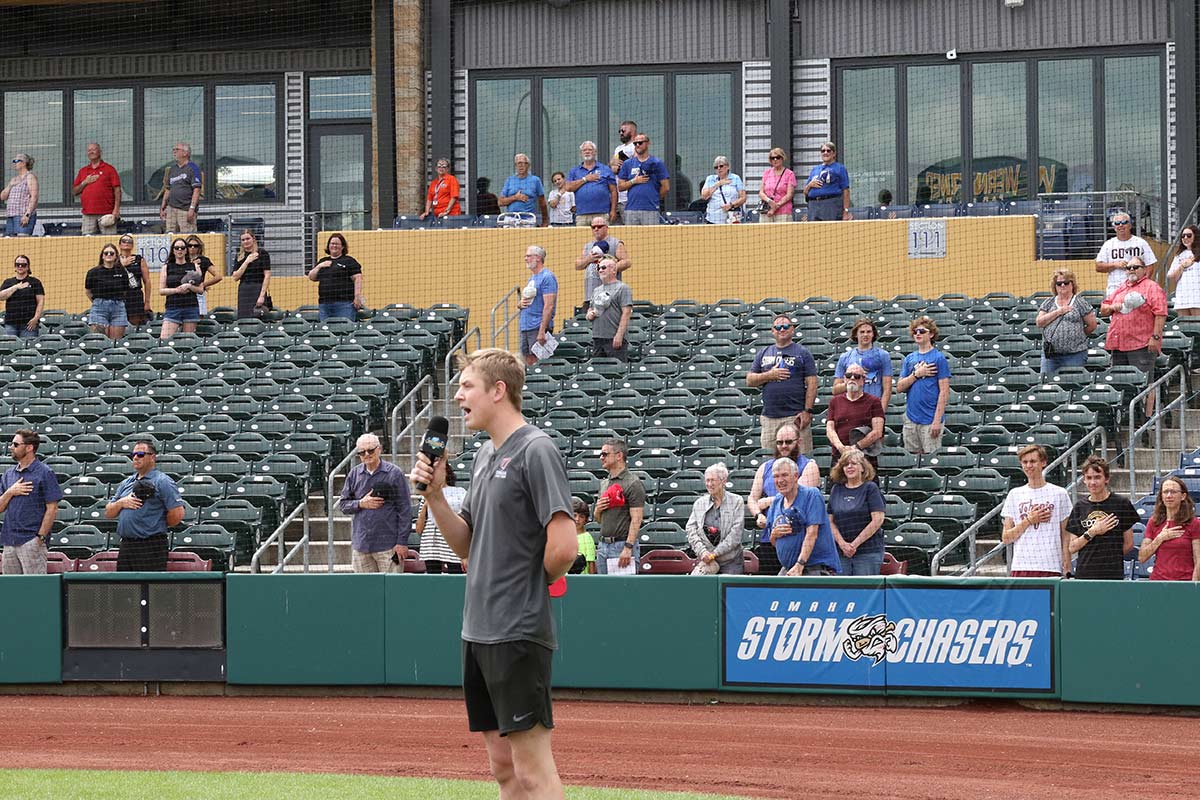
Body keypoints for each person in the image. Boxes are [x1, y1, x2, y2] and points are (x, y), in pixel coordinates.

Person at [409, 348, 576, 799]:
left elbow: (563, 546)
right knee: (504, 769)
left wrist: (523, 584)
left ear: (498, 391)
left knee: (533, 770)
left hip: (516, 630)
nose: (458, 395)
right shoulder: (484, 456)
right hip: (478, 629)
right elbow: (467, 545)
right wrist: (436, 497)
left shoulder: (536, 450)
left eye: (466, 386)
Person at [747, 424, 820, 576]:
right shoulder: (765, 467)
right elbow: (752, 498)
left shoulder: (809, 466)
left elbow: (798, 496)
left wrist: (767, 501)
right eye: (780, 442)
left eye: (788, 442)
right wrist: (758, 515)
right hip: (770, 539)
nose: (784, 446)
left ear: (799, 442)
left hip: (797, 540)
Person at [1099, 256, 1168, 416]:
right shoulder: (1122, 288)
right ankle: (1128, 418)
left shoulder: (1152, 287)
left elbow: (1160, 314)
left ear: (1144, 269)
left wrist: (1155, 338)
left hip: (1141, 344)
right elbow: (1103, 308)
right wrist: (1113, 307)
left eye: (1135, 267)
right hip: (1118, 344)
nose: (1131, 270)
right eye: (1128, 267)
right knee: (1121, 383)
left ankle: (1147, 419)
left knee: (1145, 383)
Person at [104, 439, 185, 572]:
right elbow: (108, 512)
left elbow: (177, 513)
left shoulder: (163, 481)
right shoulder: (126, 483)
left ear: (152, 457)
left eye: (140, 454)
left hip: (151, 545)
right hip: (127, 545)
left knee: (148, 589)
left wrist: (154, 524)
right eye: (133, 455)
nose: (135, 457)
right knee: (126, 588)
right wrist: (121, 503)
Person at [338, 433, 413, 574]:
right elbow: (343, 505)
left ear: (379, 449)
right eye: (362, 452)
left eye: (370, 450)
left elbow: (405, 509)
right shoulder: (354, 474)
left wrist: (402, 542)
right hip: (361, 546)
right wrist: (360, 503)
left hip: (388, 546)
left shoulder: (394, 473)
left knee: (392, 592)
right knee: (364, 593)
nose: (367, 454)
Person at [757, 458, 842, 576]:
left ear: (796, 476)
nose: (780, 480)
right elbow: (775, 542)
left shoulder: (811, 495)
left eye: (784, 475)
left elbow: (812, 533)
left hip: (813, 569)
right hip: (788, 569)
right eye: (776, 476)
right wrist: (773, 535)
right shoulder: (776, 502)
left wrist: (800, 564)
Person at [747, 314, 818, 453]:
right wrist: (769, 375)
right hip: (769, 418)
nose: (782, 329)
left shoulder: (802, 353)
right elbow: (750, 380)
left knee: (800, 460)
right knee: (769, 462)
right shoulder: (764, 352)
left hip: (795, 417)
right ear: (773, 331)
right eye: (778, 327)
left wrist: (807, 411)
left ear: (792, 329)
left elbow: (812, 383)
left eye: (786, 326)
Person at [1000, 445, 1072, 577]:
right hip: (1021, 564)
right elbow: (1006, 538)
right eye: (1025, 462)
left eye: (1033, 461)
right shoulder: (1014, 494)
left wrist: (1067, 562)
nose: (1028, 466)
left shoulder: (1059, 493)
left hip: (1050, 565)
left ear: (1043, 462)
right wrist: (1028, 520)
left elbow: (1065, 533)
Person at [1066, 455, 1138, 581]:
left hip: (1113, 575)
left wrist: (1109, 560)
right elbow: (1072, 547)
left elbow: (1129, 544)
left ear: (1107, 479)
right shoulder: (1079, 507)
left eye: (1097, 477)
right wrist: (1092, 532)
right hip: (1085, 574)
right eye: (1089, 478)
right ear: (1084, 480)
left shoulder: (1122, 504)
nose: (1093, 482)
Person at [0, 429, 62, 575]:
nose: (11, 447)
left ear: (29, 448)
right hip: (9, 542)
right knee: (12, 590)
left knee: (34, 590)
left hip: (31, 541)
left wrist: (40, 538)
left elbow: (52, 508)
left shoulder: (45, 472)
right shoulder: (9, 474)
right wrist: (10, 492)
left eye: (15, 444)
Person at [897, 316, 951, 455]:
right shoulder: (909, 358)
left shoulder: (939, 358)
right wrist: (916, 374)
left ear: (931, 334)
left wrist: (937, 420)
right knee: (911, 459)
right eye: (915, 331)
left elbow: (944, 392)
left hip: (930, 419)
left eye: (922, 331)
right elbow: (900, 387)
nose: (918, 334)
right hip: (911, 418)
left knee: (930, 459)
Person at [828, 450, 886, 575]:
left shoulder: (870, 488)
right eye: (845, 464)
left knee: (864, 591)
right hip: (841, 553)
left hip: (867, 553)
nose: (849, 467)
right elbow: (830, 521)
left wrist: (854, 545)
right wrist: (843, 544)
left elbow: (878, 520)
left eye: (853, 463)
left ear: (862, 467)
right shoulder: (836, 489)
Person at [592, 437, 645, 575]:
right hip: (603, 545)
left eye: (605, 454)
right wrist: (598, 509)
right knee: (605, 594)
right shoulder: (604, 484)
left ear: (619, 456)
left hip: (622, 545)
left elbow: (637, 519)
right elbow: (598, 519)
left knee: (624, 593)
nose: (601, 457)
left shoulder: (633, 483)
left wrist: (628, 547)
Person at [684, 462, 745, 575]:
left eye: (713, 480)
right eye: (707, 480)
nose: (709, 484)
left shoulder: (737, 501)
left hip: (731, 562)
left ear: (724, 482)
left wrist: (714, 554)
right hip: (706, 560)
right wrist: (702, 552)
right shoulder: (699, 503)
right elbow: (690, 529)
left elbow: (735, 535)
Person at [1036, 268, 1098, 376]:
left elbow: (1092, 325)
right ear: (1054, 286)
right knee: (1046, 384)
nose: (1063, 286)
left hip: (1074, 355)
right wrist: (1058, 312)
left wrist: (1078, 336)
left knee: (1071, 385)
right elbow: (1039, 322)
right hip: (1051, 356)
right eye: (1059, 283)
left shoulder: (1080, 302)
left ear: (1072, 284)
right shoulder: (1048, 303)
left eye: (1066, 283)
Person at [1137, 476, 1200, 581]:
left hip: (1184, 582)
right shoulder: (1154, 522)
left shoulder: (1193, 523)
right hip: (1158, 582)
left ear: (1183, 496)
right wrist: (1160, 538)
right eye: (1165, 492)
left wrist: (1193, 586)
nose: (1169, 495)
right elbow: (1142, 557)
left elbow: (1198, 559)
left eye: (1173, 492)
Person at [825, 364, 884, 470]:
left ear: (863, 380)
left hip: (864, 457)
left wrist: (856, 447)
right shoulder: (835, 401)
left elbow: (878, 432)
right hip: (839, 456)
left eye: (857, 376)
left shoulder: (874, 402)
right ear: (844, 379)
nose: (852, 378)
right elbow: (830, 429)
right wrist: (841, 448)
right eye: (848, 375)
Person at [833, 318, 893, 409]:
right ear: (856, 334)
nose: (865, 334)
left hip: (873, 408)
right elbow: (835, 390)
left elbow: (887, 389)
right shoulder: (845, 357)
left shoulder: (883, 355)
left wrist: (880, 413)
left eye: (868, 331)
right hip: (851, 409)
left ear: (873, 334)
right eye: (862, 332)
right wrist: (850, 382)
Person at [415, 468, 466, 574]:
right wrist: (425, 505)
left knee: (455, 579)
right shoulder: (426, 495)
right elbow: (419, 529)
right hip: (430, 547)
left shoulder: (460, 492)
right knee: (433, 582)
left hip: (453, 546)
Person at [574, 218, 631, 308]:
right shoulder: (588, 246)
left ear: (606, 228)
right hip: (590, 295)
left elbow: (627, 262)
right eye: (593, 227)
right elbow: (577, 265)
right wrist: (588, 259)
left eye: (599, 226)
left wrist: (611, 267)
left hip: (610, 294)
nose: (596, 229)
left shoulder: (615, 243)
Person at [1095, 211, 1156, 295]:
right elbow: (1098, 267)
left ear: (1130, 225)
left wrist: (1144, 284)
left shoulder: (1141, 243)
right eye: (1117, 223)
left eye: (1124, 222)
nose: (1121, 225)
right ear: (1114, 227)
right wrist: (1115, 265)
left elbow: (1150, 266)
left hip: (1136, 288)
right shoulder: (1108, 244)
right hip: (1115, 289)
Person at [308, 233, 365, 322]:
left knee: (344, 330)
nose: (334, 246)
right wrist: (319, 266)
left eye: (337, 244)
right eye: (332, 243)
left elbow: (358, 278)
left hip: (344, 304)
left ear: (342, 247)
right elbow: (311, 277)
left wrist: (357, 296)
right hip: (324, 304)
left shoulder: (349, 261)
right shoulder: (323, 261)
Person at [585, 257, 632, 362]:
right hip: (598, 338)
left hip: (614, 338)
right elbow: (590, 309)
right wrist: (589, 315)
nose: (600, 270)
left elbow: (626, 313)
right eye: (599, 268)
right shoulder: (596, 290)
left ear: (614, 270)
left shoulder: (623, 288)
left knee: (616, 371)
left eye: (604, 267)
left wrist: (619, 335)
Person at [517, 245, 557, 366]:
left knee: (539, 363)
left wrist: (542, 331)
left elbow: (549, 306)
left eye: (528, 256)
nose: (526, 259)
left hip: (537, 326)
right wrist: (520, 304)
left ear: (538, 258)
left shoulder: (547, 277)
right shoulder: (532, 278)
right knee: (527, 360)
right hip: (526, 326)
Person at [617, 134, 670, 225]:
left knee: (651, 238)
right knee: (631, 238)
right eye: (635, 143)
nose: (637, 145)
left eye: (640, 143)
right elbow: (620, 187)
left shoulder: (656, 163)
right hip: (631, 209)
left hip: (651, 209)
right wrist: (634, 181)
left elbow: (666, 187)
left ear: (648, 143)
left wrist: (654, 199)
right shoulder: (628, 164)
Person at [159, 237, 204, 339]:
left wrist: (189, 286)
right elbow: (161, 291)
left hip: (190, 307)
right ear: (173, 250)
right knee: (164, 339)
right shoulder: (167, 267)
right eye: (177, 248)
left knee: (187, 341)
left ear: (186, 250)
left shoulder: (194, 267)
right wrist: (177, 290)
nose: (180, 250)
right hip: (173, 307)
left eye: (182, 248)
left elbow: (200, 289)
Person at [73, 142, 122, 235]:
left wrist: (116, 210)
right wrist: (85, 182)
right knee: (87, 243)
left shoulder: (109, 169)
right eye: (89, 150)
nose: (91, 152)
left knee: (109, 241)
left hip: (107, 213)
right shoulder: (83, 171)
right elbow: (75, 191)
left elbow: (117, 190)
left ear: (100, 152)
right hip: (88, 214)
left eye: (94, 149)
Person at [85, 243, 131, 340]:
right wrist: (98, 302)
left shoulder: (122, 272)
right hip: (99, 309)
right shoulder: (93, 272)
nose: (109, 255)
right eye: (106, 253)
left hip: (118, 308)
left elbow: (125, 290)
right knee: (99, 341)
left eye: (112, 253)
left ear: (116, 256)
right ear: (102, 256)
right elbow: (88, 291)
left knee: (116, 342)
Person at [563, 141, 616, 225]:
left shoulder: (605, 169)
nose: (587, 152)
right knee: (582, 238)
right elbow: (568, 187)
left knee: (602, 238)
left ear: (595, 152)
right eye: (584, 150)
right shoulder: (575, 171)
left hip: (602, 214)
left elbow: (613, 191)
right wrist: (585, 179)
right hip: (581, 215)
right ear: (581, 153)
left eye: (590, 150)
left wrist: (613, 210)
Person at [802, 141, 850, 222]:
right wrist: (810, 185)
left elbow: (846, 190)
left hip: (830, 205)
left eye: (828, 150)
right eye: (823, 151)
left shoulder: (840, 168)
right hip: (813, 205)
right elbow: (805, 192)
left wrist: (845, 211)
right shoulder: (815, 169)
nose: (825, 153)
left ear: (834, 154)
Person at [159, 142, 202, 234]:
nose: (174, 152)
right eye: (173, 150)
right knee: (170, 236)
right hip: (171, 209)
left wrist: (192, 209)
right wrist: (163, 206)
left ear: (185, 153)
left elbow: (197, 190)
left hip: (185, 209)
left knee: (187, 237)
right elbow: (168, 189)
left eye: (177, 149)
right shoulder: (172, 170)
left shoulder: (193, 168)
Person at [498, 153, 548, 227]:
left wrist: (545, 221)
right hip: (510, 220)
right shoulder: (509, 180)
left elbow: (542, 202)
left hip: (528, 220)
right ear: (516, 166)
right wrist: (515, 197)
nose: (521, 166)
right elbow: (500, 202)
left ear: (528, 165)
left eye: (524, 163)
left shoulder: (535, 180)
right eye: (519, 163)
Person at [231, 229, 272, 320]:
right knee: (244, 318)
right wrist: (247, 261)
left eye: (248, 239)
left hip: (258, 288)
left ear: (253, 239)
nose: (246, 241)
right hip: (244, 290)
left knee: (258, 316)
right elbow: (235, 277)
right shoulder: (239, 256)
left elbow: (267, 276)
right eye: (243, 240)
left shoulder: (263, 254)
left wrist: (261, 296)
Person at [1, 255, 44, 338]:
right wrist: (16, 287)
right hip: (11, 323)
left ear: (28, 267)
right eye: (18, 264)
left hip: (29, 324)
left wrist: (36, 318)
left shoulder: (35, 282)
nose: (20, 266)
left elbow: (40, 301)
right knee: (11, 348)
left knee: (27, 349)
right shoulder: (8, 282)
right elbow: (1, 297)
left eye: (23, 265)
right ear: (15, 267)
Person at [117, 234, 153, 328]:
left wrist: (147, 302)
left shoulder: (139, 259)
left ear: (132, 245)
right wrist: (122, 265)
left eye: (129, 242)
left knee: (135, 324)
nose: (126, 243)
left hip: (135, 296)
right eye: (124, 241)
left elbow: (147, 281)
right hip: (119, 296)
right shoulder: (114, 260)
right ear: (119, 245)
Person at [700, 156, 747, 224]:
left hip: (732, 218)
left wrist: (731, 205)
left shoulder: (735, 178)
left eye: (721, 166)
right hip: (713, 219)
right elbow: (704, 196)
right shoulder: (710, 179)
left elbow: (743, 197)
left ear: (727, 167)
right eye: (716, 167)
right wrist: (718, 184)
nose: (719, 169)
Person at [1167, 224, 1200, 318]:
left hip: (1197, 296)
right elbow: (1171, 276)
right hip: (1182, 296)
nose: (1185, 238)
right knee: (1184, 325)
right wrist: (1182, 266)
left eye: (1189, 235)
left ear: (1196, 236)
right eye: (1183, 236)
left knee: (1197, 325)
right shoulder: (1179, 255)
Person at [2, 153, 39, 236]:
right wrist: (10, 185)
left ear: (23, 163)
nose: (14, 163)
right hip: (11, 215)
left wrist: (27, 215)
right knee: (10, 242)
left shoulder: (30, 177)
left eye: (16, 161)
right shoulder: (14, 179)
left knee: (22, 240)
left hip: (22, 215)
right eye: (13, 161)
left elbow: (34, 197)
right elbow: (3, 197)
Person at [185, 235, 222, 318]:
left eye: (195, 246)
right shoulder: (181, 260)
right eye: (190, 245)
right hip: (183, 293)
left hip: (198, 293)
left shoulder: (203, 260)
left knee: (198, 319)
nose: (192, 247)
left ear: (199, 247)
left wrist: (203, 284)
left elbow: (218, 276)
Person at [758, 147, 797, 223]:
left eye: (777, 157)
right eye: (772, 158)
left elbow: (789, 195)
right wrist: (769, 201)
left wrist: (775, 207)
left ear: (782, 158)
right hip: (767, 211)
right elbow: (761, 192)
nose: (775, 160)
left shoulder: (789, 174)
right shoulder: (767, 173)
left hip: (783, 212)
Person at [569, 497, 597, 574]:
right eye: (574, 515)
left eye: (581, 517)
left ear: (586, 520)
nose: (577, 519)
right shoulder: (565, 537)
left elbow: (591, 563)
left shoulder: (587, 538)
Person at [609, 156, 628, 223]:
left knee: (626, 222)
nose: (615, 167)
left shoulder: (624, 174)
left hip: (624, 201)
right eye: (613, 165)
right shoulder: (610, 175)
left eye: (617, 165)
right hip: (613, 203)